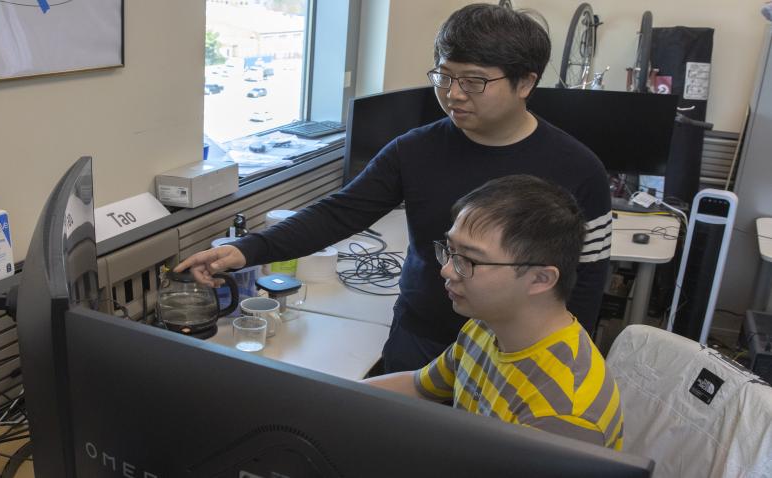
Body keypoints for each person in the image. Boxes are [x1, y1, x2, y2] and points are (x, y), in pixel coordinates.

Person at [175, 3, 612, 373]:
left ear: (526, 83)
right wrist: (248, 250)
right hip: (422, 335)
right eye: (444, 77)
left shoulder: (578, 169)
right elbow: (340, 212)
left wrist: (572, 360)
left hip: (522, 351)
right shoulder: (415, 149)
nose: (454, 94)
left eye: (474, 81)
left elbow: (588, 279)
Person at [364, 175, 623, 450]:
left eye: (469, 259)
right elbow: (419, 385)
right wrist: (321, 400)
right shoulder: (488, 325)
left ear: (540, 279)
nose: (447, 270)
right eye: (450, 251)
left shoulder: (563, 415)